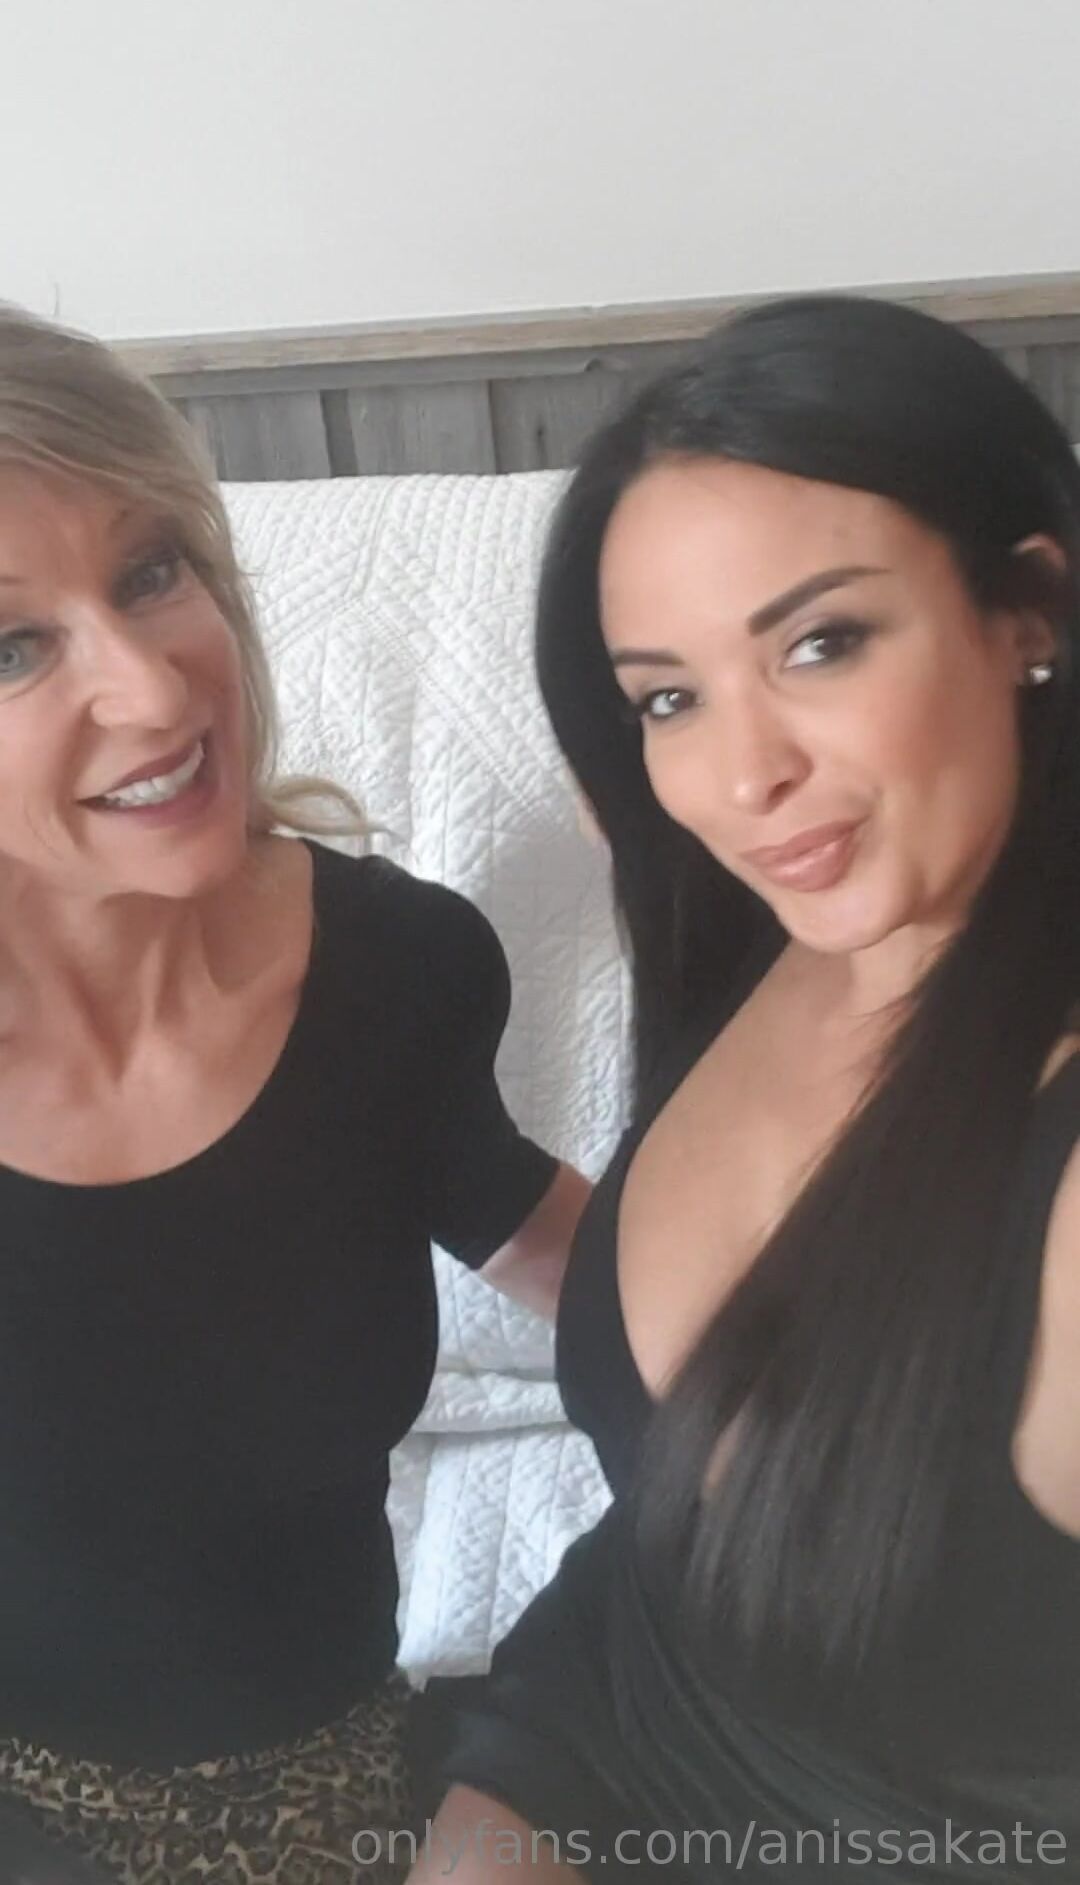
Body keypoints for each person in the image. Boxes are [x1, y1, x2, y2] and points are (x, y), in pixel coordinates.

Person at [418, 296, 1080, 1881]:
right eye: (670, 696)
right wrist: (496, 1818)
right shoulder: (777, 942)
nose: (740, 778)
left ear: (1028, 614)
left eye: (820, 643)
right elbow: (667, 1553)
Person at [0, 305, 588, 1884]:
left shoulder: (394, 969)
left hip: (339, 1781)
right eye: (11, 647)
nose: (153, 688)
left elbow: (575, 1260)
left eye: (151, 570)